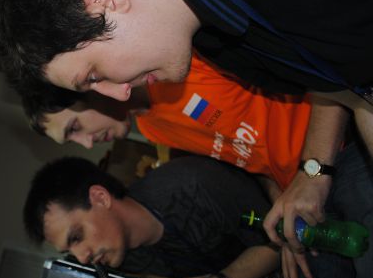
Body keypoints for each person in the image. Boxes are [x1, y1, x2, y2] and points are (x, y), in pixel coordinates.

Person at [0, 0, 373, 276]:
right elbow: (343, 84)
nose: (118, 93)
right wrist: (286, 194)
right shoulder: (213, 41)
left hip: (338, 156)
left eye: (93, 76)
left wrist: (313, 171)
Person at [24, 150, 373, 278]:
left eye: (76, 236)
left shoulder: (191, 185)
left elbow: (274, 239)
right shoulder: (120, 256)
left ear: (100, 197)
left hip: (301, 249)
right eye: (71, 250)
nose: (82, 256)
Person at [24, 55, 312, 195]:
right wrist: (281, 201)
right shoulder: (151, 130)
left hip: (326, 153)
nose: (87, 144)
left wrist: (312, 175)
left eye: (75, 128)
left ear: (90, 88)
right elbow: (252, 158)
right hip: (302, 191)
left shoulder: (179, 63)